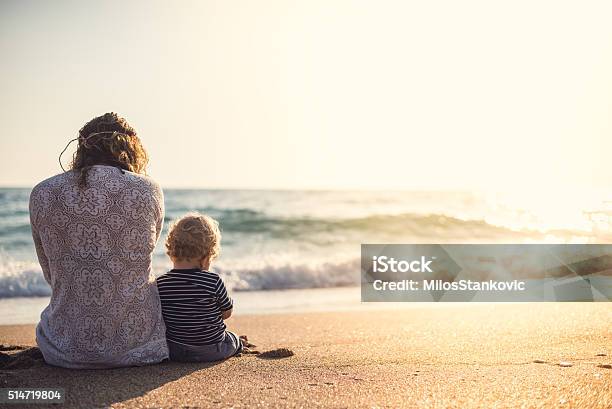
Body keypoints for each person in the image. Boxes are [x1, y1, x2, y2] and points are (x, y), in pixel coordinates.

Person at [29, 112, 169, 368]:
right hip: (138, 344)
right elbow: (141, 258)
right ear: (131, 148)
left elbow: (52, 275)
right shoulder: (149, 190)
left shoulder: (43, 193)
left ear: (81, 148)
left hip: (64, 348)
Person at [156, 213, 242, 362]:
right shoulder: (213, 281)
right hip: (212, 351)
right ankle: (240, 344)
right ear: (207, 255)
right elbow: (226, 313)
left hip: (175, 351)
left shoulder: (161, 284)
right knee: (233, 339)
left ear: (171, 251)